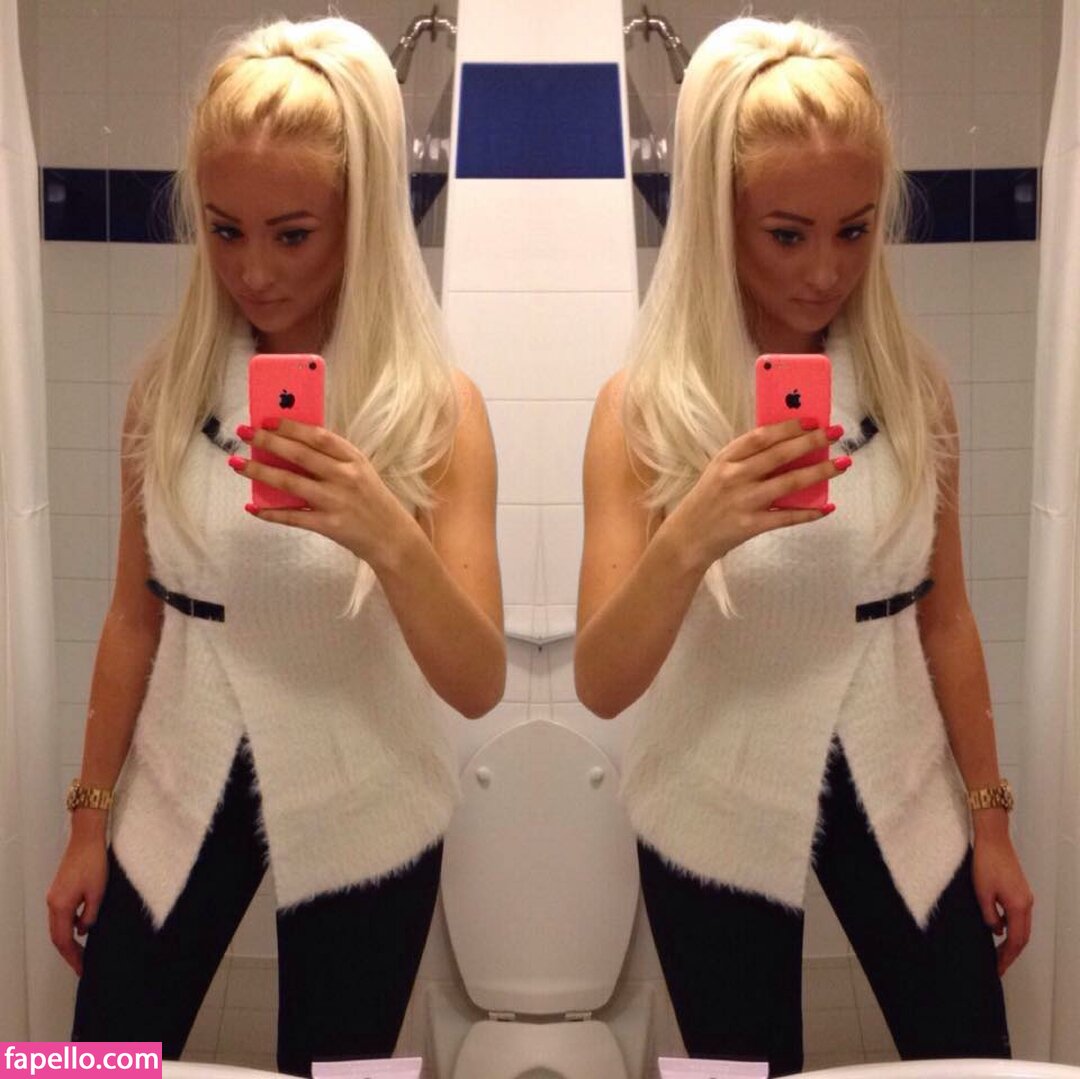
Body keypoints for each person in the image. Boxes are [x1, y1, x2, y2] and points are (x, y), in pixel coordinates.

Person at [46, 17, 505, 1076]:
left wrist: (384, 529)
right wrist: (87, 820)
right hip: (179, 773)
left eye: (292, 234)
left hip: (368, 791)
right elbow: (133, 616)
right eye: (224, 229)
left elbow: (479, 679)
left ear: (361, 218)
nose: (253, 271)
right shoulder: (167, 390)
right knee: (93, 1059)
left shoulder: (438, 410)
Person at [574, 17, 1031, 1076]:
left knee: (971, 1051)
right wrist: (695, 529)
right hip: (711, 789)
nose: (826, 270)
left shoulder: (911, 389)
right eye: (787, 234)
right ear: (718, 219)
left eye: (855, 229)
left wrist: (992, 820)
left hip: (900, 772)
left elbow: (946, 616)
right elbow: (599, 679)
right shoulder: (641, 410)